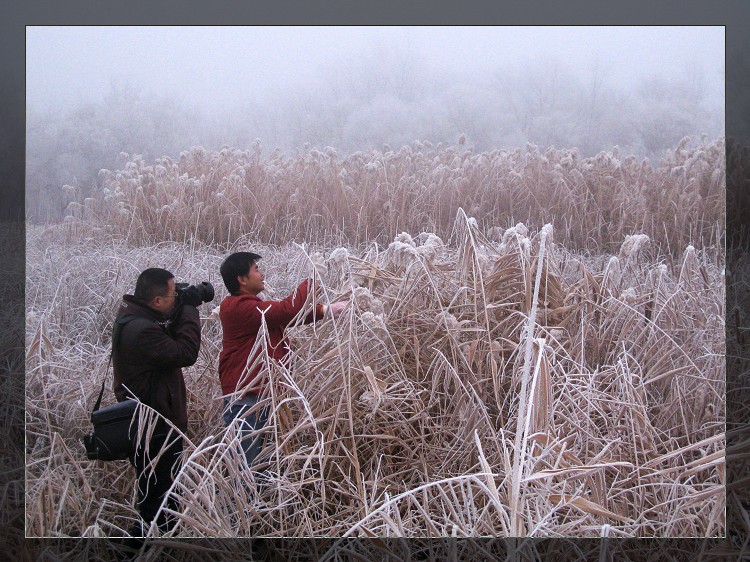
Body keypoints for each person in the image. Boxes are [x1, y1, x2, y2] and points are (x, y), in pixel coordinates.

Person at [218, 251, 345, 473]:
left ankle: (255, 507)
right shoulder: (238, 307)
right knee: (245, 471)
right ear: (242, 279)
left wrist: (326, 311)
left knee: (260, 468)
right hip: (245, 401)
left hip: (260, 397)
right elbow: (286, 310)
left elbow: (284, 316)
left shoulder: (250, 307)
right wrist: (315, 277)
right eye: (256, 270)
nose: (262, 274)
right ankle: (238, 508)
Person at [112, 267, 210, 537]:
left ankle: (154, 539)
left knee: (157, 490)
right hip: (154, 425)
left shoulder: (134, 315)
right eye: (172, 294)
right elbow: (186, 353)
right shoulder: (141, 330)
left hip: (149, 419)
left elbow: (165, 338)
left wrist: (178, 306)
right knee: (159, 495)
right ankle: (148, 544)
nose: (176, 296)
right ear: (156, 301)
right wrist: (189, 307)